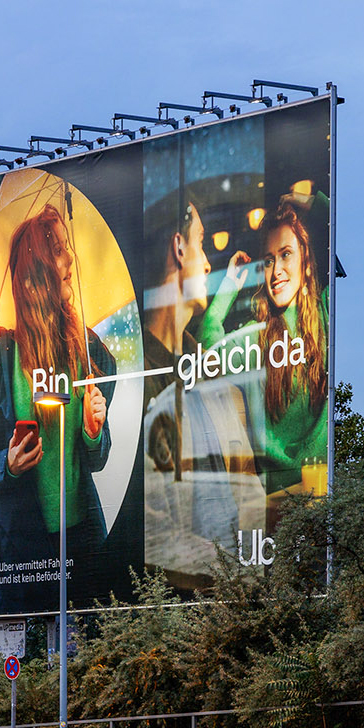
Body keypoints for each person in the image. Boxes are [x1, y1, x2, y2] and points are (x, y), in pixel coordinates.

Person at [0, 203, 115, 613]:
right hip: (26, 556)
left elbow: (98, 458)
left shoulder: (87, 351)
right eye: (57, 249)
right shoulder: (3, 359)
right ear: (36, 270)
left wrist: (94, 431)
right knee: (38, 661)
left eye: (65, 246)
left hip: (84, 546)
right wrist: (10, 464)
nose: (69, 258)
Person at [140, 191, 263, 585]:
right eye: (201, 242)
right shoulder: (130, 378)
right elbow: (152, 534)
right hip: (172, 609)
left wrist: (252, 578)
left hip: (239, 601)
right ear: (178, 246)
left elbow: (250, 494)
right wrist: (228, 571)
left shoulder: (217, 379)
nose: (208, 262)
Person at [201, 198, 329, 497]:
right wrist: (231, 283)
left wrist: (294, 200)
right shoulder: (255, 338)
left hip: (321, 490)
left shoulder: (324, 314)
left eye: (286, 255)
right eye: (269, 260)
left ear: (304, 260)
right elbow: (208, 347)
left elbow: (330, 214)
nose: (276, 271)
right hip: (276, 503)